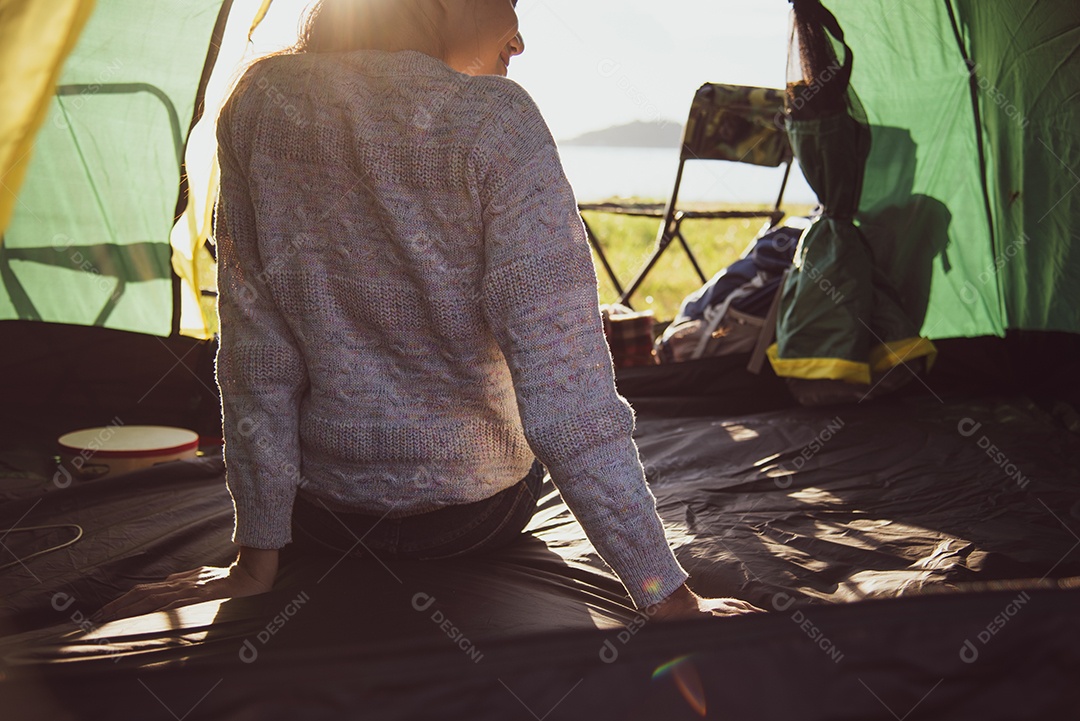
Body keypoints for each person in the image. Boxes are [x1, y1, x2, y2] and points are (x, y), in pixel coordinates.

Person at [98, 0, 760, 623]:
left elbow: (255, 360)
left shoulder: (258, 107)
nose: (520, 36)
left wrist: (257, 559)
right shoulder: (497, 122)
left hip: (322, 513)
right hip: (472, 518)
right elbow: (566, 394)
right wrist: (665, 594)